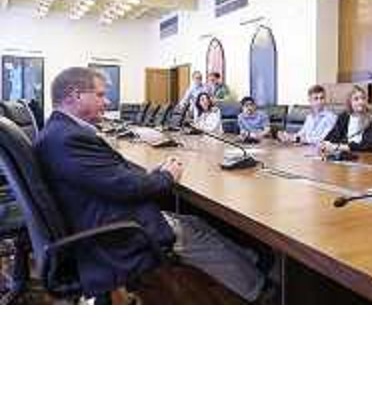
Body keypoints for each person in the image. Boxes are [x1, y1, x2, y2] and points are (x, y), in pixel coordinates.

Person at [34, 67, 266, 301]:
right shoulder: (67, 138)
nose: (107, 102)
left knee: (194, 221)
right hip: (113, 232)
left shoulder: (59, 132)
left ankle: (253, 260)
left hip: (102, 215)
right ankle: (259, 289)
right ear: (76, 95)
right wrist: (167, 177)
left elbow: (110, 178)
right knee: (191, 234)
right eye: (101, 95)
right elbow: (124, 187)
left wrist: (156, 173)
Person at [321, 85, 372, 154]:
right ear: (350, 102)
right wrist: (326, 144)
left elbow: (368, 146)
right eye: (356, 99)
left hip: (368, 156)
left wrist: (340, 147)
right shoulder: (344, 117)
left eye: (363, 98)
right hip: (346, 156)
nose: (361, 102)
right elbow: (331, 137)